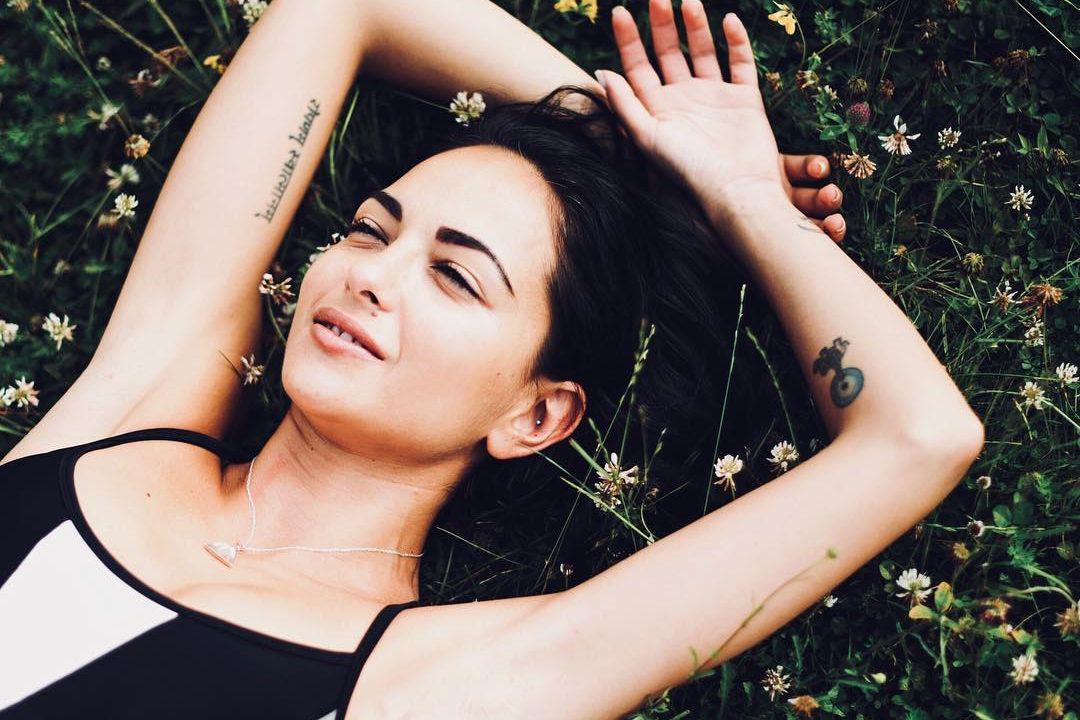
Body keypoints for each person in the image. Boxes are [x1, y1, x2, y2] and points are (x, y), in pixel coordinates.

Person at [0, 0, 984, 717]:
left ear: (536, 413)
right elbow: (343, 8)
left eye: (456, 276)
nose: (371, 275)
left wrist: (744, 200)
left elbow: (917, 435)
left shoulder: (453, 685)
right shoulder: (133, 409)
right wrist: (627, 138)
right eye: (371, 229)